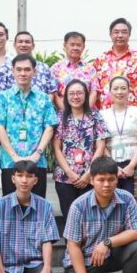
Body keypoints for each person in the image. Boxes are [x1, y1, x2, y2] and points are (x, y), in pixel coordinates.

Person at [62, 157, 137, 273]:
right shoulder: (79, 206)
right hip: (85, 259)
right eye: (101, 180)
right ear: (92, 180)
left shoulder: (127, 198)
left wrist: (107, 243)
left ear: (117, 179)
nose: (107, 184)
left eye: (111, 179)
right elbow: (72, 246)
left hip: (111, 255)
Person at [0, 160, 59, 273]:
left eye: (29, 176)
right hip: (8, 266)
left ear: (36, 180)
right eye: (20, 175)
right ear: (13, 178)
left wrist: (47, 268)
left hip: (33, 264)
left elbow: (47, 240)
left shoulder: (45, 206)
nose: (24, 180)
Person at [0, 54, 58, 198]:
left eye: (27, 69)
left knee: (38, 206)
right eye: (19, 69)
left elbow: (49, 127)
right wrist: (14, 156)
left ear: (34, 72)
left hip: (37, 162)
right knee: (10, 206)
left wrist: (37, 154)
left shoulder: (44, 98)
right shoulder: (3, 97)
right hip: (10, 162)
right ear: (13, 71)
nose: (23, 73)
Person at [53, 80, 109, 218]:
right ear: (66, 96)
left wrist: (89, 173)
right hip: (64, 177)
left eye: (79, 93)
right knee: (69, 216)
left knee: (89, 217)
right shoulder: (60, 117)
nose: (75, 97)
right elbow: (56, 147)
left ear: (86, 95)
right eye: (71, 93)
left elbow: (100, 145)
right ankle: (70, 241)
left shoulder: (95, 115)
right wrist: (69, 172)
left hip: (89, 177)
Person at [102, 76, 137, 212]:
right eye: (116, 88)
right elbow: (101, 144)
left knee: (134, 204)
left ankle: (135, 232)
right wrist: (113, 166)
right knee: (111, 204)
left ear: (129, 91)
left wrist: (131, 166)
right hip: (110, 164)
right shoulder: (102, 115)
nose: (119, 92)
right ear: (110, 92)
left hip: (133, 164)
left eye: (123, 88)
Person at [91, 17, 137, 109]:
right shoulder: (101, 59)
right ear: (110, 35)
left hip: (131, 113)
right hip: (105, 113)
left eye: (124, 32)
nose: (120, 35)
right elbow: (94, 88)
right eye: (116, 32)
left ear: (129, 35)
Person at [0, 31, 57, 96]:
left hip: (41, 105)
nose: (23, 45)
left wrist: (43, 105)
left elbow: (51, 92)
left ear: (33, 46)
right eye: (20, 42)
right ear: (14, 45)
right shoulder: (6, 67)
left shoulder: (44, 67)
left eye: (27, 42)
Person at [49, 31, 97, 110]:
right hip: (63, 115)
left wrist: (84, 113)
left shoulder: (90, 69)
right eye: (72, 45)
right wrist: (66, 114)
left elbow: (93, 92)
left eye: (78, 45)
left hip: (86, 116)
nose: (75, 48)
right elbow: (54, 94)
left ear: (83, 47)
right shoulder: (55, 69)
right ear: (65, 46)